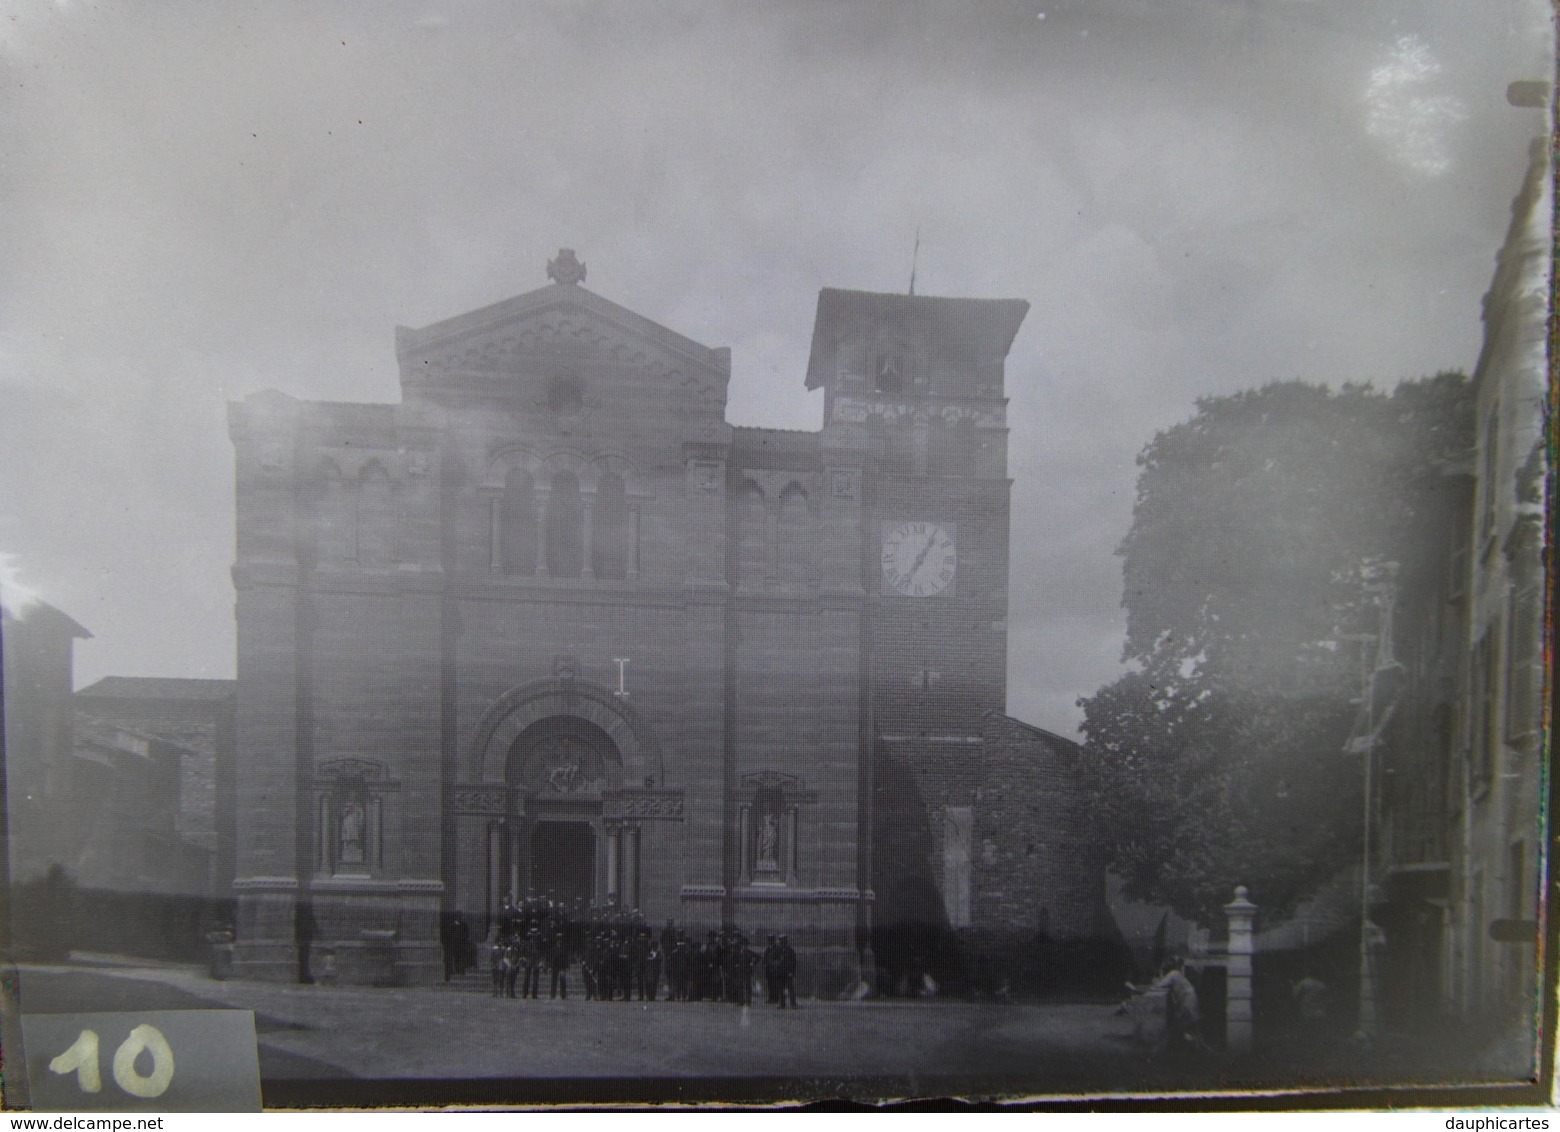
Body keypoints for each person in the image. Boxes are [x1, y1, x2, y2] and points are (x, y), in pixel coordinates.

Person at [1155, 955, 1205, 1055]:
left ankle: (1193, 1051)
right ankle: (1198, 1050)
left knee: (1183, 1028)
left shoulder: (1173, 974)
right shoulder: (1179, 975)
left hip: (1187, 1003)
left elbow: (1159, 986)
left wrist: (1159, 977)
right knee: (1192, 1028)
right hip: (1192, 1001)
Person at [776, 934, 798, 1008]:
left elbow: (793, 963)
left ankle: (793, 1004)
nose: (782, 943)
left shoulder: (790, 951)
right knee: (780, 989)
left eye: (784, 941)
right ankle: (782, 1004)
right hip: (780, 973)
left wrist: (792, 972)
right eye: (781, 941)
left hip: (788, 973)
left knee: (790, 988)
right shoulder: (777, 951)